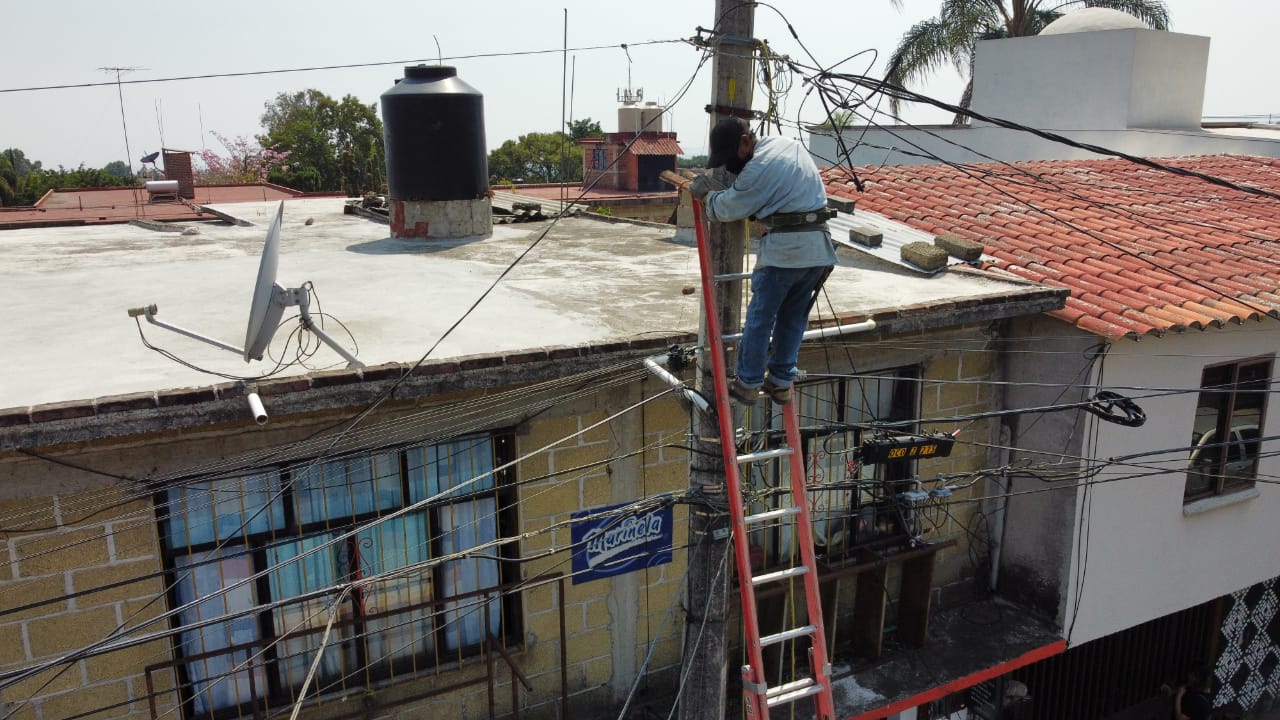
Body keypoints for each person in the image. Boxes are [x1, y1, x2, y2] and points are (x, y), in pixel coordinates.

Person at [689, 117, 837, 405]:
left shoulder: (758, 168)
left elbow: (726, 208)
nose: (730, 166)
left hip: (785, 253)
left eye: (730, 158)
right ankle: (781, 382)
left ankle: (748, 383)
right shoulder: (785, 145)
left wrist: (706, 195)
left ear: (745, 142)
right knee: (793, 317)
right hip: (818, 250)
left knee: (760, 319)